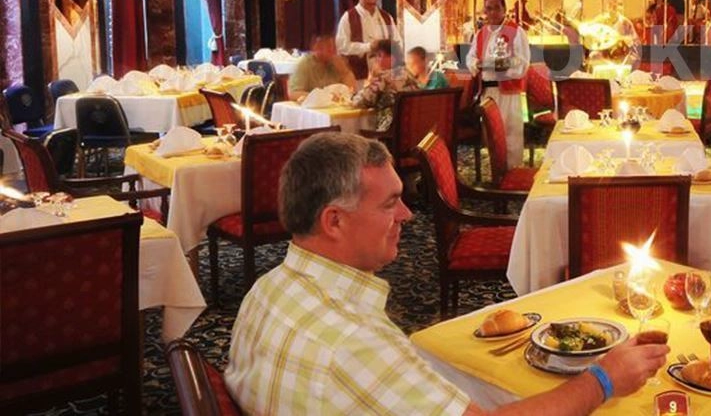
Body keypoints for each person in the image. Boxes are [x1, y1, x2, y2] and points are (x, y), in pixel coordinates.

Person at [226, 132, 668, 415]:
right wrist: (603, 379)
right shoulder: (353, 344)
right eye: (389, 204)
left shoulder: (266, 291)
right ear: (334, 221)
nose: (406, 215)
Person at [465, 0, 530, 164]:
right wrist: (478, 64)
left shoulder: (516, 31)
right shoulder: (481, 33)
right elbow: (470, 58)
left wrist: (497, 66)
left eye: (496, 8)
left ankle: (513, 171)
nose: (492, 13)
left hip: (508, 92)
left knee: (510, 135)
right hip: (487, 92)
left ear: (504, 9)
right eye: (488, 9)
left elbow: (522, 62)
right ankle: (497, 173)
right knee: (491, 136)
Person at [336, 0, 400, 79]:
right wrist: (368, 46)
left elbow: (397, 43)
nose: (372, 1)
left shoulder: (386, 17)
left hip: (386, 76)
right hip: (359, 77)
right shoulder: (349, 17)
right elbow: (342, 47)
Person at [352, 40, 420, 131]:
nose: (376, 59)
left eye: (379, 55)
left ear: (392, 58)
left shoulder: (384, 78)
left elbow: (359, 102)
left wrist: (353, 96)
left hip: (388, 130)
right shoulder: (410, 75)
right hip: (411, 128)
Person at [288, 34, 355, 102]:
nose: (332, 50)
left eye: (333, 47)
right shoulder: (305, 64)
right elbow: (294, 93)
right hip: (312, 106)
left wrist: (344, 71)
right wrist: (323, 97)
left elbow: (351, 90)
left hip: (336, 107)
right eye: (328, 47)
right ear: (316, 48)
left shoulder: (337, 63)